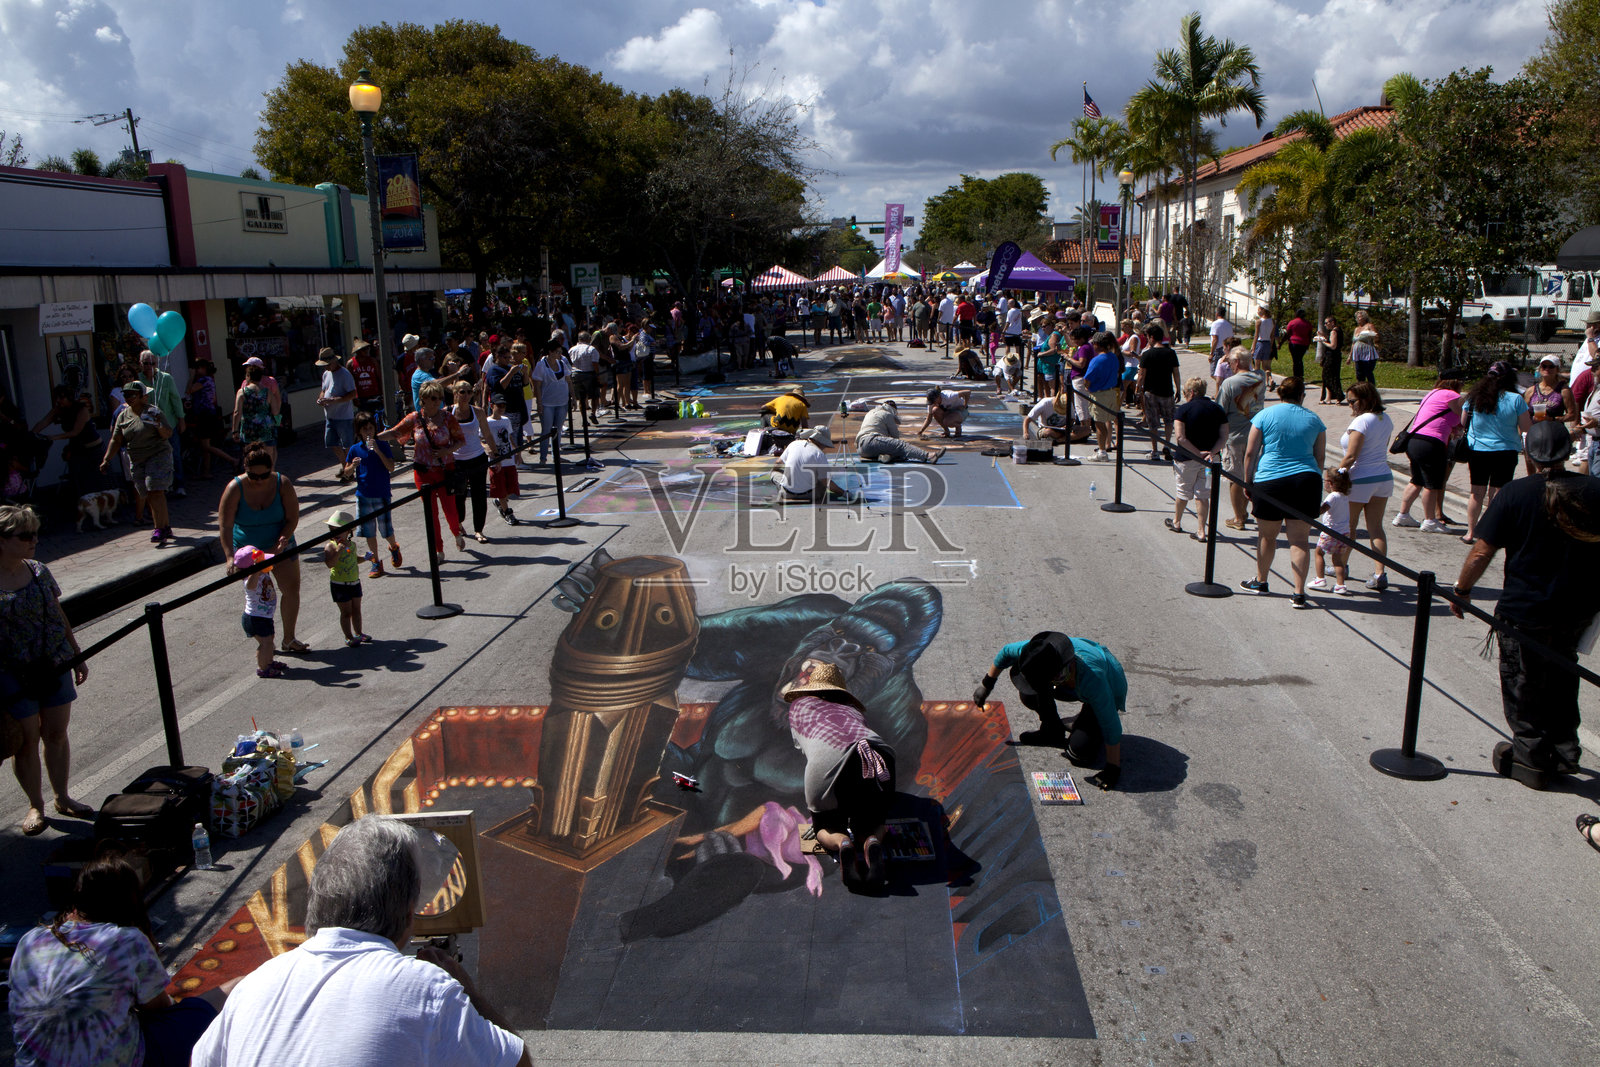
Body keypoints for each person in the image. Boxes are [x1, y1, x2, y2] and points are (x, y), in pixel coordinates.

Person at [191, 816, 529, 1067]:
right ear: (408, 915)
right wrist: (466, 991)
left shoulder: (254, 986)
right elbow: (519, 1063)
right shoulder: (427, 989)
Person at [1450, 421, 1600, 790]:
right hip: (1576, 608)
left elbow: (1482, 551)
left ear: (1528, 453)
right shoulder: (1594, 490)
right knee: (1562, 675)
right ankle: (1564, 750)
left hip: (1525, 609)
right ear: (1567, 451)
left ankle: (1531, 755)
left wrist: (1462, 589)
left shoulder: (1515, 493)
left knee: (1522, 680)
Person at [9, 855, 227, 1067]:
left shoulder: (30, 939)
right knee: (223, 994)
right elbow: (159, 1008)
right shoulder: (125, 940)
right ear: (128, 903)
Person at [0, 505, 92, 836]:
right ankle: (35, 805)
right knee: (26, 741)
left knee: (56, 733)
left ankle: (62, 797)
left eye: (36, 533)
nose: (34, 540)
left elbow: (57, 614)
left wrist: (76, 653)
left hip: (53, 662)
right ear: (1, 540)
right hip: (13, 672)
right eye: (25, 535)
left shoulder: (38, 570)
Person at [779, 661, 895, 888]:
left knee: (824, 827)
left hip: (828, 762)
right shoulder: (852, 709)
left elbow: (800, 745)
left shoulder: (799, 707)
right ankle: (872, 842)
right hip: (877, 754)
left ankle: (842, 844)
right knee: (872, 818)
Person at [973, 631, 1127, 791]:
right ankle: (1052, 730)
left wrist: (1113, 768)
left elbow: (1111, 724)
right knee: (1029, 692)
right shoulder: (1037, 653)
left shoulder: (1093, 679)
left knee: (1078, 753)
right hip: (1068, 680)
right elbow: (1006, 652)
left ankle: (1085, 721)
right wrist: (986, 685)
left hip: (1109, 687)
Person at [1241, 377, 1326, 607]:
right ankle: (1299, 593)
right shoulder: (1315, 420)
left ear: (1280, 394)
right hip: (1306, 480)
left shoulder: (1264, 415)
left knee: (1267, 536)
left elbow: (1250, 453)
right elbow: (1319, 457)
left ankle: (1261, 581)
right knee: (1299, 540)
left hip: (1271, 480)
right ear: (1302, 396)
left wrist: (1248, 481)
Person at [220, 445, 307, 653]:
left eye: (264, 475)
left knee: (291, 589)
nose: (258, 480)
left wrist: (282, 539)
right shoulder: (235, 488)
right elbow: (225, 525)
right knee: (258, 597)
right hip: (249, 552)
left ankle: (289, 638)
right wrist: (230, 557)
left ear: (271, 469)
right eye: (253, 476)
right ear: (245, 469)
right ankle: (266, 642)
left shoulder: (282, 483)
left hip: (279, 545)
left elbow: (292, 518)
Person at [380, 380, 465, 555]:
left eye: (439, 398)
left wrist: (446, 451)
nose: (437, 401)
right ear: (423, 399)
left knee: (450, 509)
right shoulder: (415, 418)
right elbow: (395, 432)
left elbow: (460, 441)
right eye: (433, 398)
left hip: (445, 470)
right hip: (423, 472)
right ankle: (438, 550)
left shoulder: (447, 418)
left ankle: (456, 533)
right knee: (431, 514)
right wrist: (374, 437)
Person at [1332, 382, 1396, 592]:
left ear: (1366, 399)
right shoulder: (1385, 418)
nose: (1350, 405)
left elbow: (1351, 456)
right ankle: (1380, 573)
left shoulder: (1361, 421)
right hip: (1383, 476)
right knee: (1376, 527)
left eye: (1353, 401)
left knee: (1349, 527)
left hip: (1360, 479)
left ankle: (1341, 567)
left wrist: (1337, 476)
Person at [1461, 361, 1532, 546]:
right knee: (1497, 493)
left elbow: (1463, 421)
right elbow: (1526, 427)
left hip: (1478, 451)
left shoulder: (1474, 397)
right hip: (1505, 452)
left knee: (1476, 492)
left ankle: (1470, 532)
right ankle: (1488, 533)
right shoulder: (1516, 399)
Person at [100, 378, 175, 544]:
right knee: (148, 492)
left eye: (132, 394)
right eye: (126, 394)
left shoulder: (153, 411)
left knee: (154, 489)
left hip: (158, 455)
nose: (128, 397)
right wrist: (106, 459)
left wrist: (158, 425)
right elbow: (116, 440)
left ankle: (159, 528)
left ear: (142, 396)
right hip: (137, 458)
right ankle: (165, 526)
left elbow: (167, 434)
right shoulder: (122, 416)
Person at [1392, 377, 1465, 533]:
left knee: (1417, 480)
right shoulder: (1452, 395)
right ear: (1456, 383)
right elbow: (1462, 417)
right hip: (1431, 443)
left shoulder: (1433, 393)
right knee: (1432, 484)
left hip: (1414, 440)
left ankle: (1403, 515)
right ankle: (1430, 520)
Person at [343, 412, 402, 579]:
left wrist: (378, 451)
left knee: (386, 529)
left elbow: (391, 467)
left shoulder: (382, 445)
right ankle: (376, 561)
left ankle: (393, 546)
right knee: (369, 532)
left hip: (381, 493)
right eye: (365, 429)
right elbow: (346, 472)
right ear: (359, 432)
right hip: (363, 495)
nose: (368, 432)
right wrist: (352, 466)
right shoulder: (355, 449)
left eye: (371, 428)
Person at [1170, 378, 1226, 539]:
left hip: (1186, 459)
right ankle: (1201, 531)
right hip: (1211, 461)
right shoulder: (1218, 409)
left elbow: (1180, 437)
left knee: (1183, 491)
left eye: (1186, 393)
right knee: (1203, 494)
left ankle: (1177, 522)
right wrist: (1211, 453)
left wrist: (1196, 453)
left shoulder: (1184, 410)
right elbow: (1224, 436)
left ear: (1192, 392)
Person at [31, 385, 103, 496]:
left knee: (97, 481)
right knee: (78, 480)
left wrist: (54, 437)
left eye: (61, 398)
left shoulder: (82, 410)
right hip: (77, 448)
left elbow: (75, 432)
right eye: (56, 398)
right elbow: (44, 422)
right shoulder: (58, 410)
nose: (58, 401)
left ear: (69, 398)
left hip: (93, 449)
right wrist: (32, 433)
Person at [448, 381, 494, 544]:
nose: (466, 395)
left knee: (479, 495)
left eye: (469, 392)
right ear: (455, 393)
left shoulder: (478, 412)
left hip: (477, 458)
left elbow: (487, 434)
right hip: (457, 460)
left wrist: (495, 453)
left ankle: (478, 530)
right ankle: (459, 522)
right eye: (462, 392)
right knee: (459, 496)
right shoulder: (448, 412)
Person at [139, 350, 187, 498]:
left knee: (174, 454)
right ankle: (163, 486)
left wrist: (181, 419)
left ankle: (179, 485)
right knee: (155, 456)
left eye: (152, 363)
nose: (149, 366)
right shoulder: (138, 380)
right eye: (146, 363)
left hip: (168, 423)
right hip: (149, 427)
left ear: (157, 363)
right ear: (140, 364)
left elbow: (175, 399)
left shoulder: (166, 378)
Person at [234, 544, 282, 678]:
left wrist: (279, 548)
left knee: (270, 640)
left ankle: (269, 661)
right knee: (265, 643)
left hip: (264, 616)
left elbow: (273, 559)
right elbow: (250, 586)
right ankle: (263, 668)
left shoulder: (263, 572)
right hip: (255, 618)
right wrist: (256, 570)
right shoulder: (249, 580)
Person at [322, 510, 369, 648]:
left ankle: (359, 633)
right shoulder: (330, 546)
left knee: (356, 610)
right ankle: (348, 636)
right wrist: (339, 550)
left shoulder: (351, 545)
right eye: (332, 530)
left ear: (349, 531)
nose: (335, 533)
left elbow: (355, 560)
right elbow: (330, 563)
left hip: (354, 581)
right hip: (339, 584)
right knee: (346, 612)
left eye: (339, 530)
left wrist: (365, 558)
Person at [1136, 323, 1181, 462]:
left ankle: (1155, 450)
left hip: (1150, 392)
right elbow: (1176, 372)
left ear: (1151, 337)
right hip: (1167, 391)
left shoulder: (1146, 354)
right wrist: (1178, 389)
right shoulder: (1171, 353)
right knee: (1169, 420)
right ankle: (1167, 444)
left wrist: (1137, 390)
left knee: (1153, 423)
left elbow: (1141, 374)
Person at [774, 426, 851, 502]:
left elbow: (778, 463)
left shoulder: (793, 444)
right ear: (821, 442)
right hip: (809, 495)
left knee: (774, 473)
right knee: (821, 479)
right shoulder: (819, 454)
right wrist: (843, 493)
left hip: (786, 493)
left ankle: (784, 488)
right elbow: (826, 482)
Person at [1308, 467, 1353, 595]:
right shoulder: (1344, 496)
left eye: (1325, 480)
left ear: (1331, 483)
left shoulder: (1332, 496)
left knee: (1319, 553)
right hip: (1344, 533)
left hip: (1331, 532)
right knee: (1337, 560)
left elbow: (1322, 510)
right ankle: (1340, 585)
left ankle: (1320, 578)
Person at [316, 348, 358, 480]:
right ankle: (346, 467)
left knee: (347, 445)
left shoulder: (345, 374)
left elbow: (352, 394)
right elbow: (324, 390)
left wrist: (334, 400)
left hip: (344, 416)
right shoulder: (326, 374)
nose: (326, 367)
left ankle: (349, 470)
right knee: (332, 443)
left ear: (334, 361)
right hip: (330, 416)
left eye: (328, 364)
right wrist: (321, 399)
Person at [857, 399, 943, 463]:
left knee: (890, 447)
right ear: (893, 411)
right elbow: (895, 437)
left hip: (861, 448)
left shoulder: (870, 412)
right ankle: (928, 456)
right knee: (901, 445)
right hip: (872, 441)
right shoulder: (887, 414)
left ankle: (882, 457)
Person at [530, 339, 571, 466]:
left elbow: (568, 380)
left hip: (562, 401)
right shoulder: (541, 365)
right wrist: (539, 403)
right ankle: (543, 458)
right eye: (557, 352)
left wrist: (573, 397)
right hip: (547, 403)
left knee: (558, 430)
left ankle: (556, 455)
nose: (560, 354)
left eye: (560, 352)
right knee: (546, 431)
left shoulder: (562, 363)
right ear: (550, 352)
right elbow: (537, 386)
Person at [1082, 332, 1123, 460]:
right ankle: (1103, 448)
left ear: (1097, 344)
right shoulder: (1113, 357)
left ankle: (1102, 451)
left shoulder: (1097, 360)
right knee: (1106, 422)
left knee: (1099, 424)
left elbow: (1087, 379)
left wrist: (1087, 386)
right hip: (1112, 392)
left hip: (1099, 394)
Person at [231, 361, 280, 465]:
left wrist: (235, 430)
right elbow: (275, 411)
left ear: (248, 376)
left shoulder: (242, 392)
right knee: (268, 456)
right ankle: (269, 472)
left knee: (250, 457)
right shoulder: (267, 392)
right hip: (266, 428)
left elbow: (237, 412)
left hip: (249, 429)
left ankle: (253, 472)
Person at [484, 397, 519, 525]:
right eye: (499, 406)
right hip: (496, 460)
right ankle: (507, 512)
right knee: (500, 487)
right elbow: (481, 439)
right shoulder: (487, 422)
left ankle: (500, 501)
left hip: (508, 458)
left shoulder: (506, 420)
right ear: (492, 406)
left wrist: (517, 451)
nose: (501, 408)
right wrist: (487, 448)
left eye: (503, 406)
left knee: (511, 486)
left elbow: (509, 436)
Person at [347, 339, 385, 423]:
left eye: (367, 348)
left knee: (378, 420)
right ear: (358, 351)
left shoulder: (373, 361)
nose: (367, 351)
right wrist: (354, 398)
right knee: (364, 421)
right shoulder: (351, 364)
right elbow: (349, 383)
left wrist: (383, 394)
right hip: (361, 398)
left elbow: (379, 378)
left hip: (375, 395)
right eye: (364, 349)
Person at [1313, 315, 1344, 404]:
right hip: (1336, 356)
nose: (1325, 325)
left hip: (1331, 356)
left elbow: (1333, 346)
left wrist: (1322, 341)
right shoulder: (1338, 330)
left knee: (1327, 376)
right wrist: (1323, 336)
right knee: (1333, 376)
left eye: (1326, 323)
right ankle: (1329, 397)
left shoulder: (1334, 332)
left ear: (1332, 323)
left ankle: (1336, 395)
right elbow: (1331, 340)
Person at [1349, 310, 1379, 386]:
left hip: (1367, 352)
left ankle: (1371, 389)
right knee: (1359, 374)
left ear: (1365, 317)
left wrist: (1371, 336)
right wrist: (1350, 356)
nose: (1358, 318)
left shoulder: (1369, 326)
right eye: (1357, 317)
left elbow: (1376, 336)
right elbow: (1353, 343)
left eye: (1360, 317)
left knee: (1368, 372)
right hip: (1358, 353)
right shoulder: (1356, 329)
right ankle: (1361, 389)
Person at [1284, 309, 1313, 381]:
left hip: (1294, 343)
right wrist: (1308, 344)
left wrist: (1281, 343)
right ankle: (1300, 375)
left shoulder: (1292, 322)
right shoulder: (1308, 324)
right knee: (1299, 359)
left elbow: (1287, 333)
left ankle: (1296, 376)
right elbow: (1309, 334)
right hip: (1304, 344)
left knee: (1296, 360)